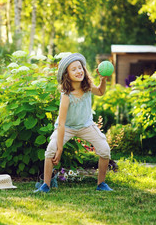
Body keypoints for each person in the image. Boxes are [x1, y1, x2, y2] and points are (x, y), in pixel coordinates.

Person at [34, 53, 113, 193]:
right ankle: (45, 185)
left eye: (80, 67)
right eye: (74, 69)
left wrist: (103, 80)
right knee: (50, 150)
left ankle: (101, 184)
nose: (79, 71)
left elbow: (100, 92)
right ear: (67, 75)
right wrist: (59, 149)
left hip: (86, 125)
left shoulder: (87, 86)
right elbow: (62, 124)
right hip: (67, 127)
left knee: (105, 150)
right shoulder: (66, 94)